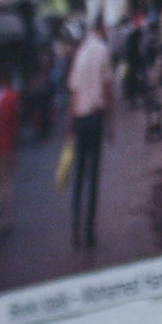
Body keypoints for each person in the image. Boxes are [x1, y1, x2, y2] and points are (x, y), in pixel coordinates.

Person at [67, 15, 114, 249]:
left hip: (80, 119)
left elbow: (74, 93)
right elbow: (107, 87)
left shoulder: (81, 52)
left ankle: (75, 230)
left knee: (78, 176)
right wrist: (111, 122)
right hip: (95, 118)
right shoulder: (103, 51)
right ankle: (88, 232)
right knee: (93, 176)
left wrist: (70, 127)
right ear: (100, 28)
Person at [0, 70, 21, 231]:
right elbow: (15, 123)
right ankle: (5, 219)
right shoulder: (12, 97)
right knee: (8, 182)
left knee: (0, 180)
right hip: (8, 145)